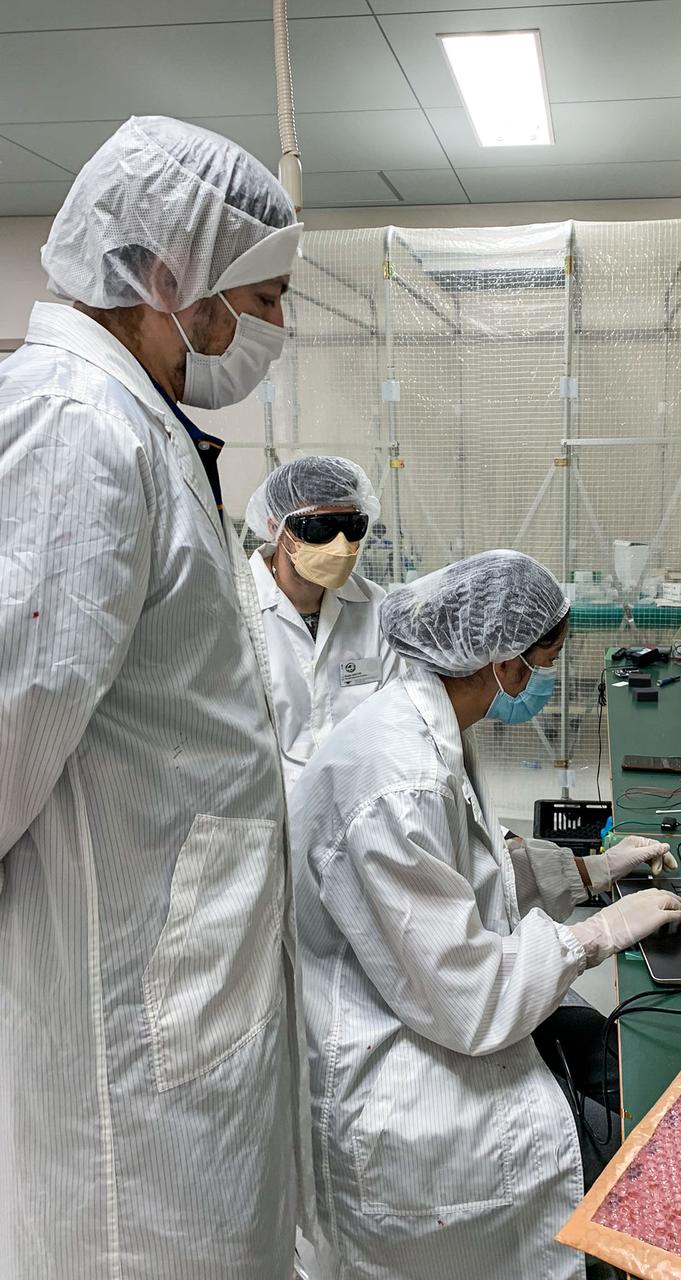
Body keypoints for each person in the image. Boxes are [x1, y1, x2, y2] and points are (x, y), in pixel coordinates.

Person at [0, 117, 314, 1280]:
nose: (275, 329)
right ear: (171, 276)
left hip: (185, 1001)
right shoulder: (76, 431)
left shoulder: (138, 423)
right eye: (264, 296)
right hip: (130, 1056)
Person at [291, 550, 681, 1279]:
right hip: (403, 1067)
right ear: (500, 662)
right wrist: (594, 937)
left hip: (426, 1005)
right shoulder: (398, 778)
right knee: (618, 1162)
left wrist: (588, 872)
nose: (543, 681)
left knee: (602, 1043)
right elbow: (469, 996)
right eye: (542, 662)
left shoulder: (425, 720)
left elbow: (470, 870)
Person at [245, 457, 400, 794]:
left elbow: (396, 722)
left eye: (353, 526)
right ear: (276, 527)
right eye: (320, 529)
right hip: (268, 810)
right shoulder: (234, 607)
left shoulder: (376, 609)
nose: (341, 545)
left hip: (360, 808)